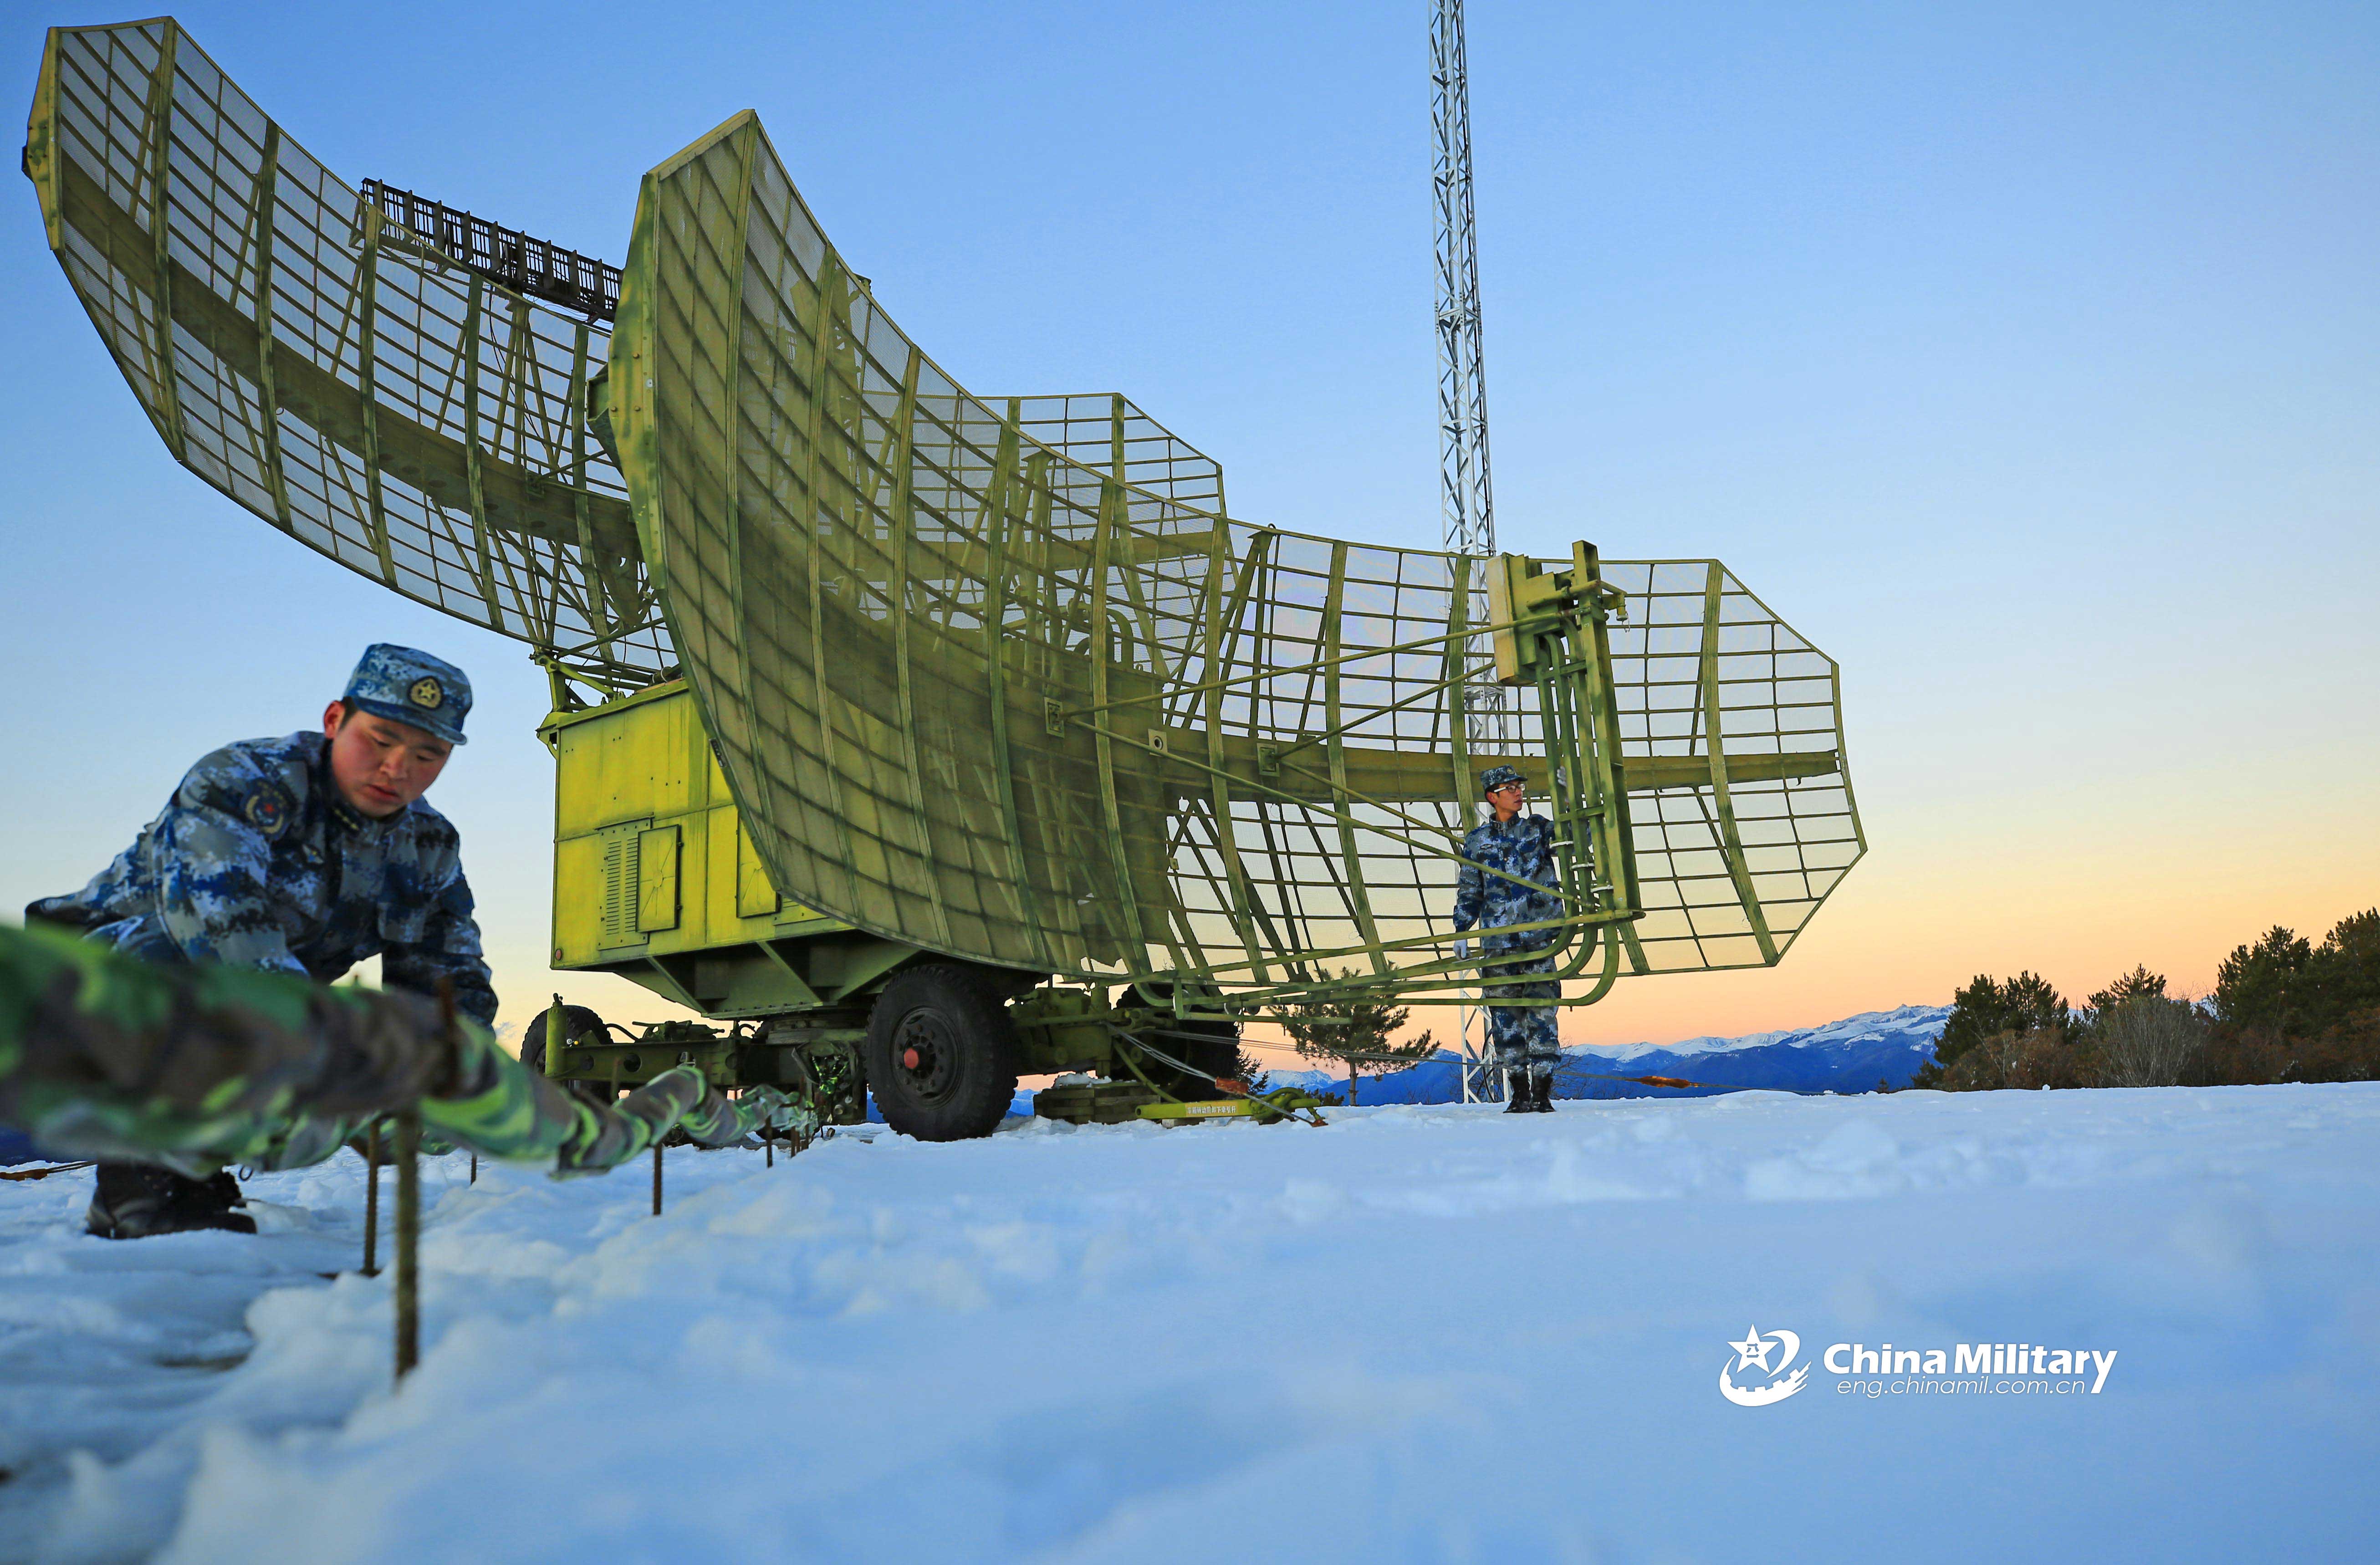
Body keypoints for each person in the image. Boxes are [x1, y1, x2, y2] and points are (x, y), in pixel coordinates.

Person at [25, 644, 496, 1236]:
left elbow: (450, 981)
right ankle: (141, 1184)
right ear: (334, 721)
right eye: (380, 741)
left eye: (427, 754)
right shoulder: (239, 782)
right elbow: (226, 937)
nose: (398, 768)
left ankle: (192, 1168)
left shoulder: (426, 846)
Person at [1450, 764, 1564, 1113]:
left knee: (1542, 1015)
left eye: (1519, 786)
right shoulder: (1477, 842)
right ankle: (1519, 1093)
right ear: (1492, 797)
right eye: (1510, 787)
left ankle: (1543, 1093)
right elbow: (1471, 888)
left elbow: (1577, 837)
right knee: (1505, 1019)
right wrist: (1462, 928)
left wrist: (1569, 797)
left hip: (1539, 938)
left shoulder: (1538, 829)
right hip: (1498, 944)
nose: (1518, 792)